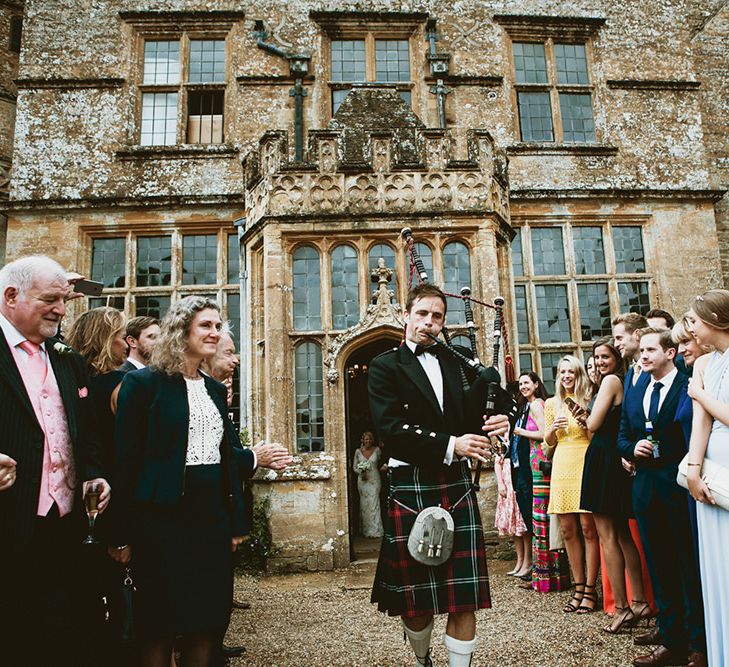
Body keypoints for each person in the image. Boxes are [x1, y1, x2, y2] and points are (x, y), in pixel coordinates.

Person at [109, 296, 291, 667]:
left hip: (210, 521)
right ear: (181, 330)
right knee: (158, 626)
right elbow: (125, 463)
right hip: (161, 522)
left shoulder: (212, 389)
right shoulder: (141, 384)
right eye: (205, 325)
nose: (214, 332)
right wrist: (120, 534)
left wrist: (236, 521)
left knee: (207, 624)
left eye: (217, 326)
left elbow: (226, 461)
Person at [368, 283, 513, 667]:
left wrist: (500, 420)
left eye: (437, 317)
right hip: (411, 484)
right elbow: (390, 430)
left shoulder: (457, 362)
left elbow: (478, 415)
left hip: (455, 483)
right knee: (416, 604)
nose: (429, 323)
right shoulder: (385, 366)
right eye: (422, 314)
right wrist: (452, 445)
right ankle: (422, 658)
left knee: (463, 598)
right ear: (406, 315)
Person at [0, 255, 111, 666]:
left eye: (64, 300)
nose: (62, 309)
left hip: (66, 526)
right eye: (51, 299)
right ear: (11, 296)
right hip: (8, 526)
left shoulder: (68, 360)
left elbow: (88, 436)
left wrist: (95, 475)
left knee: (68, 635)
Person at [618, 327, 706, 667]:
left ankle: (698, 644)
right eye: (641, 350)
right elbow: (623, 435)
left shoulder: (687, 385)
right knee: (658, 565)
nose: (643, 356)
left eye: (651, 349)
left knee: (688, 565)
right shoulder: (636, 387)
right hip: (644, 487)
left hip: (678, 487)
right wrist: (631, 448)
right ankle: (671, 642)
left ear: (670, 353)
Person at [580, 338, 651, 634]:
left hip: (604, 458)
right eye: (595, 357)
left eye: (604, 356)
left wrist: (583, 414)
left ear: (615, 359)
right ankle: (639, 602)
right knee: (622, 535)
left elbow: (592, 425)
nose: (599, 361)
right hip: (614, 458)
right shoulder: (621, 381)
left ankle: (621, 607)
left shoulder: (609, 381)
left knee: (607, 534)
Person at [685, 290, 729, 667]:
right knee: (715, 569)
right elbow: (701, 423)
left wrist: (699, 394)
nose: (691, 330)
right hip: (711, 472)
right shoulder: (704, 364)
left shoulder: (700, 377)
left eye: (695, 322)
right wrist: (694, 471)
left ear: (715, 320)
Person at [544, 355, 600, 614]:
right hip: (562, 465)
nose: (566, 376)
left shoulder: (588, 399)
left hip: (585, 462)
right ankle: (578, 586)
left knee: (588, 528)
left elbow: (594, 436)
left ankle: (591, 589)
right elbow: (546, 447)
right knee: (568, 530)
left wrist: (585, 421)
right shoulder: (551, 403)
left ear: (579, 374)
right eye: (562, 372)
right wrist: (553, 429)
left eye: (571, 372)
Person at [518, 371, 569, 594]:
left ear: (537, 384)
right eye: (520, 384)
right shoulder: (531, 404)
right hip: (535, 461)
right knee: (539, 518)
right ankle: (543, 575)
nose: (523, 387)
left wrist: (520, 431)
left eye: (527, 383)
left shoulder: (537, 405)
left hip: (541, 461)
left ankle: (550, 576)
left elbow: (544, 433)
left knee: (542, 517)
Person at [493, 444, 527, 568]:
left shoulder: (518, 431)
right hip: (507, 482)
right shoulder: (501, 438)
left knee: (523, 523)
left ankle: (527, 562)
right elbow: (497, 462)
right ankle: (520, 560)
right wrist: (500, 483)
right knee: (512, 524)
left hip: (519, 478)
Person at [353, 431, 384, 538]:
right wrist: (361, 471)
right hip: (362, 480)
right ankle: (366, 530)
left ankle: (375, 530)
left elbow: (381, 462)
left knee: (374, 503)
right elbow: (354, 467)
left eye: (370, 439)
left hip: (374, 479)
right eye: (366, 439)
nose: (368, 441)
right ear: (363, 440)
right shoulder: (358, 451)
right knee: (364, 504)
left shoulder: (377, 450)